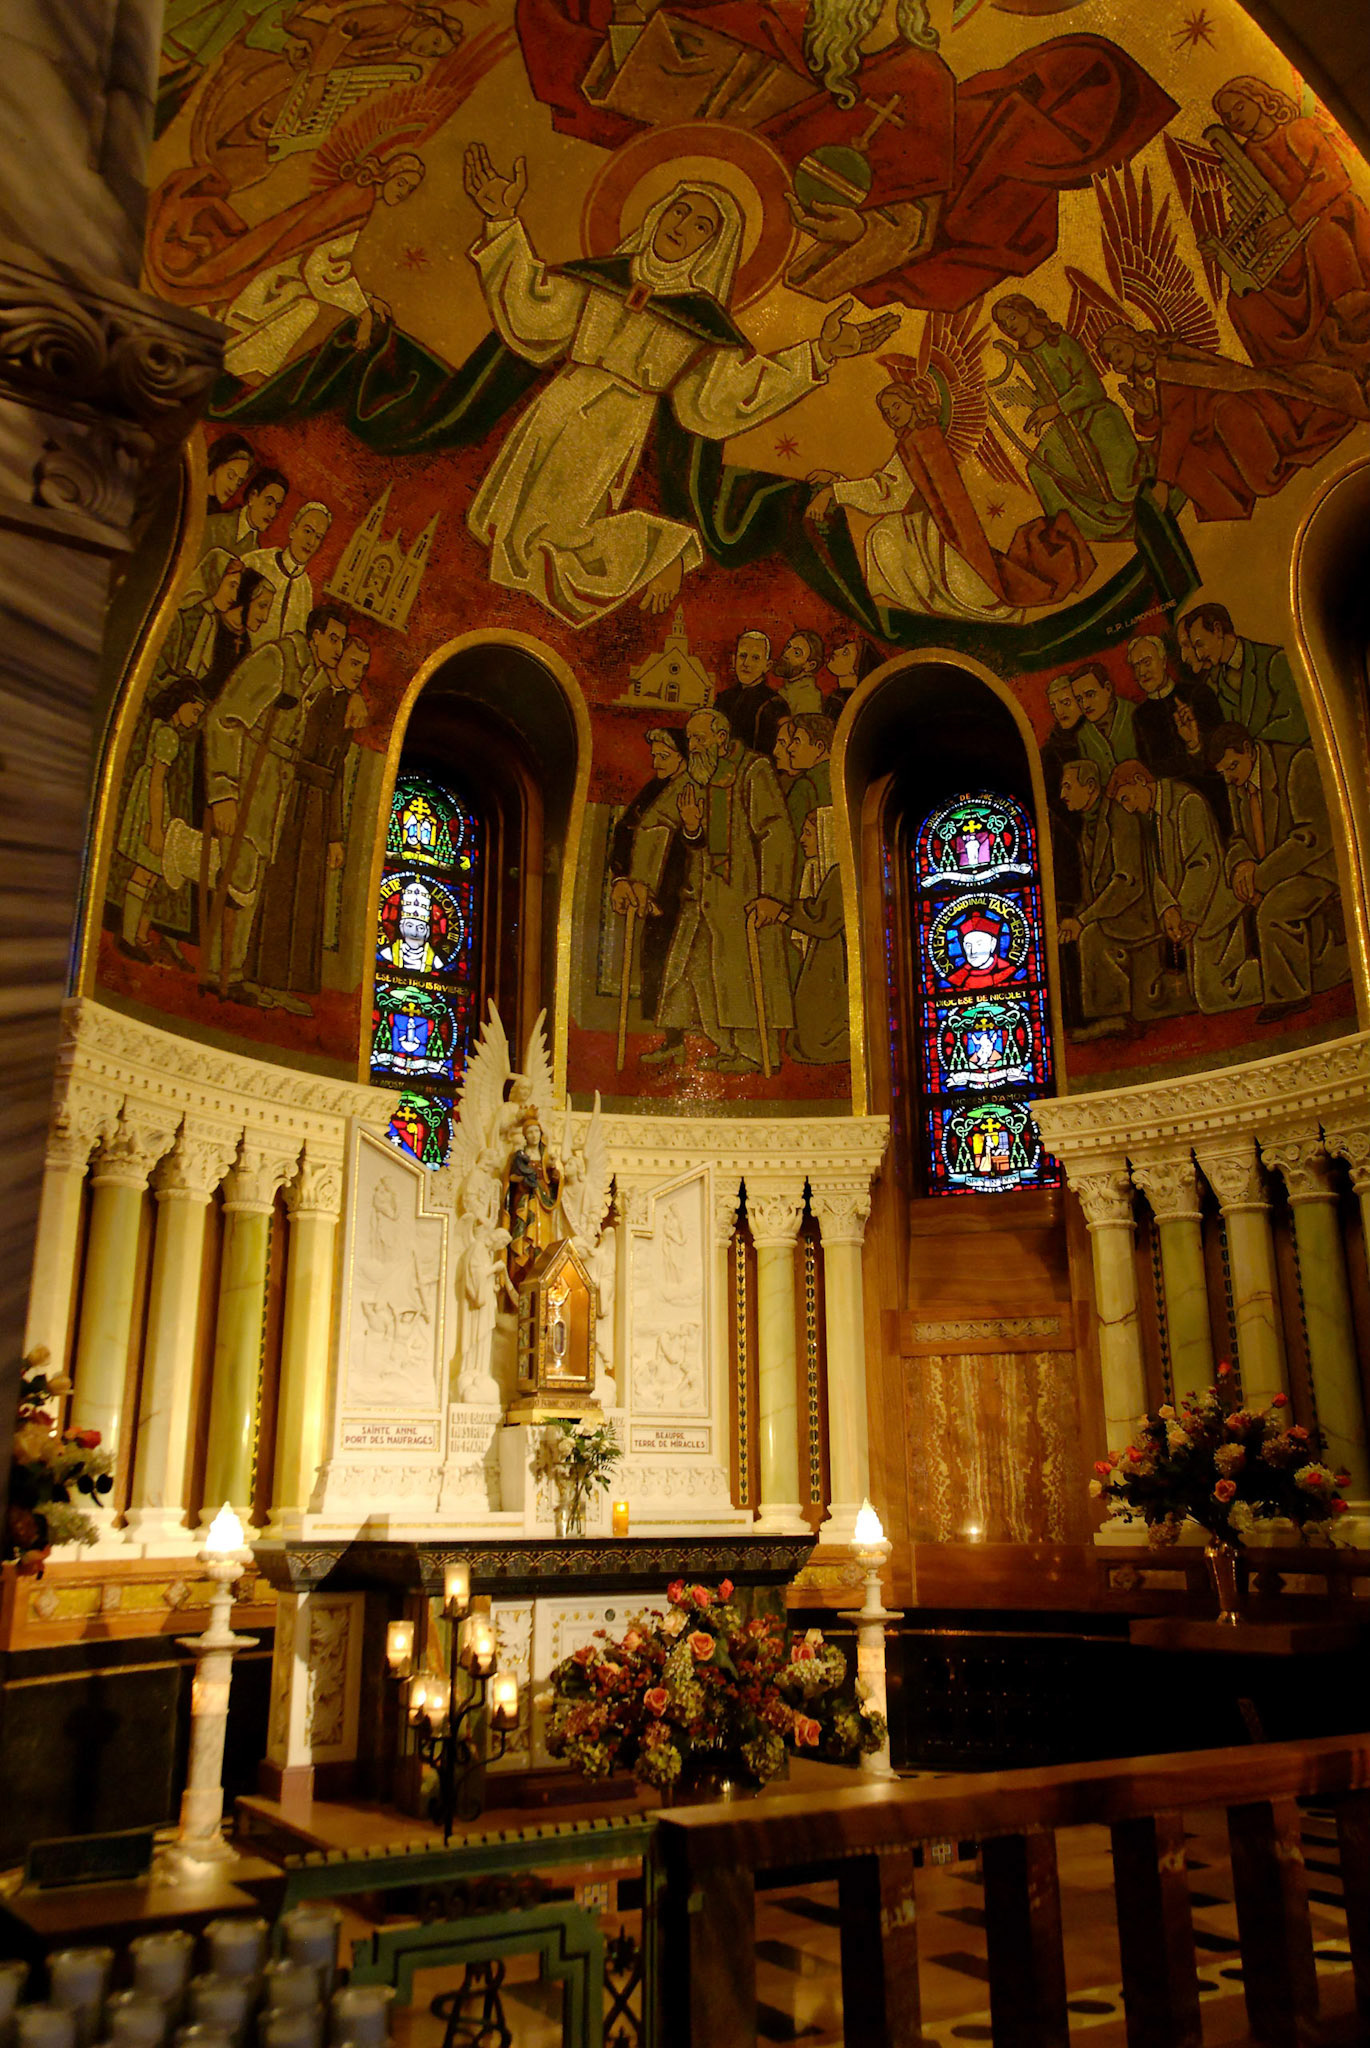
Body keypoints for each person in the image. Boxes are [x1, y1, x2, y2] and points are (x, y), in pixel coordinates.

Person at [460, 148, 897, 626]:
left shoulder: (698, 321)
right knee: (511, 523)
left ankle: (662, 548)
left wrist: (821, 352)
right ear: (657, 212)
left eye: (700, 227)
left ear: (710, 249)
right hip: (557, 405)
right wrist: (502, 221)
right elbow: (534, 314)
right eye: (680, 211)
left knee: (561, 537)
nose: (682, 227)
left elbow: (728, 396)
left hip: (615, 428)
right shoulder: (605, 277)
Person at [514, 0, 1174, 314]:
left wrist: (855, 231)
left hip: (734, 246)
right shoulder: (782, 12)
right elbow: (665, 49)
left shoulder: (923, 86)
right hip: (653, 182)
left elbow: (907, 222)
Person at [810, 375, 1090, 619]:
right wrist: (837, 483)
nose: (892, 414)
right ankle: (901, 608)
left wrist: (834, 492)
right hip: (928, 522)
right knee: (883, 536)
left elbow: (890, 493)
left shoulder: (921, 438)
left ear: (912, 403)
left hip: (939, 528)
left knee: (882, 538)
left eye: (896, 405)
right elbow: (889, 485)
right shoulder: (916, 437)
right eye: (886, 411)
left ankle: (905, 610)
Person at [638, 707, 798, 1073]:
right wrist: (641, 881)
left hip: (744, 900)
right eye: (690, 739)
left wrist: (773, 895)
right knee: (692, 972)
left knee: (741, 977)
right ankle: (713, 1045)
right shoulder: (695, 777)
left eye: (700, 738)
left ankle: (756, 1054)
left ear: (722, 738)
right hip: (701, 898)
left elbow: (775, 830)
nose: (693, 745)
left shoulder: (753, 771)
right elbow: (657, 822)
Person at [203, 602, 349, 999]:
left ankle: (232, 973)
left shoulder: (314, 676)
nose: (338, 648)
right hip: (250, 774)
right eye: (333, 638)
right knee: (237, 873)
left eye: (342, 642)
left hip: (275, 785)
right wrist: (223, 791)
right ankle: (217, 971)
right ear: (314, 635)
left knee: (252, 876)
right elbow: (225, 718)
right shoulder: (277, 659)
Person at [243, 633, 370, 1007]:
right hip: (290, 794)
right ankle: (259, 977)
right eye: (353, 663)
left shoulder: (348, 707)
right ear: (336, 659)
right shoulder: (311, 692)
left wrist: (335, 835)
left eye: (363, 668)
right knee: (279, 885)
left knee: (308, 896)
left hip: (318, 806)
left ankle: (288, 986)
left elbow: (338, 773)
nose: (358, 673)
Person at [1210, 77, 1370, 372]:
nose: (1236, 119)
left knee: (1326, 241)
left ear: (1260, 99)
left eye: (1239, 107)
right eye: (1228, 117)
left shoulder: (1297, 130)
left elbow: (1334, 179)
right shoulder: (1250, 154)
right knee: (1242, 302)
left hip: (1332, 214)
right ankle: (1295, 376)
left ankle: (1357, 330)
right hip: (1297, 233)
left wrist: (1290, 219)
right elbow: (1264, 205)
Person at [1207, 720, 1346, 1022]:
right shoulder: (1238, 783)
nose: (1229, 778)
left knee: (1273, 909)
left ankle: (1289, 996)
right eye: (1223, 773)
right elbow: (1238, 837)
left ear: (1248, 750)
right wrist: (1240, 865)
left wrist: (1259, 878)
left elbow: (1310, 840)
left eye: (1232, 767)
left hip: (1318, 870)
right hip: (1272, 873)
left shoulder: (1296, 763)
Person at [1107, 759, 1259, 1015]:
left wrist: (1187, 915)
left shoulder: (1187, 803)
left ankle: (1268, 974)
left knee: (1215, 996)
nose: (1129, 808)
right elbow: (1157, 872)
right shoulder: (1154, 815)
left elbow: (1203, 864)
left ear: (1140, 781)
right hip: (1195, 916)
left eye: (1126, 798)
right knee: (1207, 995)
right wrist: (1167, 908)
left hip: (1216, 910)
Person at [991, 296, 1142, 541]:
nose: (1009, 325)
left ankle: (1131, 509)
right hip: (1066, 425)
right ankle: (1075, 530)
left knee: (1118, 477)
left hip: (1095, 415)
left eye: (1012, 317)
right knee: (1038, 469)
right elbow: (1050, 392)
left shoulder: (1060, 343)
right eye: (1002, 323)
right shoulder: (1026, 355)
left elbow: (1092, 387)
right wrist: (1030, 399)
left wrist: (1054, 408)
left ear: (1028, 313)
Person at [1056, 757, 1162, 1039]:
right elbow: (1091, 891)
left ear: (1090, 786)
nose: (1062, 794)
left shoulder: (1120, 816)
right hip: (1111, 913)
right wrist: (1074, 921)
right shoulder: (1087, 826)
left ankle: (1112, 1017)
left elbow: (1128, 883)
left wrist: (1083, 920)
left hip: (1136, 913)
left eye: (1068, 786)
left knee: (1091, 937)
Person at [607, 725, 692, 1065]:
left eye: (664, 756)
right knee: (655, 962)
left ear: (682, 757)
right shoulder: (655, 788)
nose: (656, 762)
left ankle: (680, 1041)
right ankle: (672, 1040)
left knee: (678, 968)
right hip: (650, 895)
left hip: (678, 896)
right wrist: (621, 877)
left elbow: (689, 849)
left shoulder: (692, 789)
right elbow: (625, 830)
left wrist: (662, 893)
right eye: (654, 756)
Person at [114, 681, 211, 962]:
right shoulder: (168, 735)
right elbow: (156, 781)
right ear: (180, 704)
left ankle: (140, 935)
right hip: (151, 803)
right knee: (145, 871)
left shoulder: (163, 728)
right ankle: (128, 938)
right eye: (194, 711)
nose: (195, 719)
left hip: (152, 799)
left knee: (153, 873)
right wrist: (156, 827)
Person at [1180, 603, 1309, 747]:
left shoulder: (1273, 660)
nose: (1199, 655)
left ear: (1218, 630)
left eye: (1200, 645)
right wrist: (1195, 742)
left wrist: (1253, 749)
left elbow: (1299, 722)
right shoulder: (1213, 685)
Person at [783, 805, 849, 1063]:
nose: (802, 839)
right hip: (826, 959)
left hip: (839, 964)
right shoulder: (818, 870)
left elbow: (822, 920)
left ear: (826, 834)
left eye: (809, 833)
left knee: (819, 1035)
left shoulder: (841, 874)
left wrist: (781, 911)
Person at [1128, 633, 1219, 785]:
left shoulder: (1198, 694)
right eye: (1136, 666)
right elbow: (1150, 770)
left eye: (1147, 662)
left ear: (1163, 661)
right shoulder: (1139, 716)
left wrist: (1194, 745)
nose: (1142, 672)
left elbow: (1220, 751)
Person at [242, 499, 332, 641]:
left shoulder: (305, 589)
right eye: (307, 531)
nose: (311, 542)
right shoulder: (256, 562)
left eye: (318, 537)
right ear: (292, 530)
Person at [202, 464, 288, 564]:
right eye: (268, 503)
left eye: (277, 507)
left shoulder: (257, 554)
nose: (272, 513)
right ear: (252, 496)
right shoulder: (214, 524)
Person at [774, 712, 833, 838]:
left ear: (819, 747)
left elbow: (791, 839)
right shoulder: (840, 777)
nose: (790, 748)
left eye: (797, 742)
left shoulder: (805, 786)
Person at [1072, 667, 1138, 778]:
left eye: (1090, 694)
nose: (1085, 705)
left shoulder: (1135, 715)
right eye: (1079, 699)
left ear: (1108, 689)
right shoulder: (1083, 734)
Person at [715, 632, 777, 751]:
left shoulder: (773, 704)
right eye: (742, 656)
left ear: (767, 665)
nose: (746, 663)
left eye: (755, 658)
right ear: (734, 660)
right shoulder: (724, 698)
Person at [823, 635, 880, 722]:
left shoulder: (845, 701)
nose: (836, 652)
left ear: (857, 667)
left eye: (845, 653)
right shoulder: (836, 696)